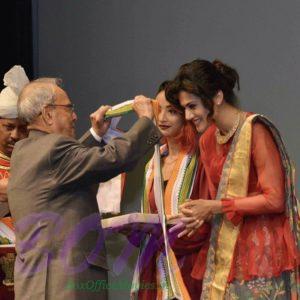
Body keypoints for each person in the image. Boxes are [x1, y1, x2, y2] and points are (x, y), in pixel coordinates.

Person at [7, 79, 162, 300]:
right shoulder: (53, 150)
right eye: (69, 108)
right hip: (64, 286)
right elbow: (113, 158)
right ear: (48, 114)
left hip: (38, 284)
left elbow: (71, 168)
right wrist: (146, 120)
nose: (74, 116)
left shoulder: (24, 152)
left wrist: (96, 135)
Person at [166, 59, 300, 299]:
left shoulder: (255, 130)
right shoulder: (208, 140)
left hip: (262, 256)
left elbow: (275, 199)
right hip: (227, 256)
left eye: (192, 106)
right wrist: (194, 215)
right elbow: (212, 202)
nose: (187, 115)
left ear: (217, 97)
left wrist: (216, 206)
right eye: (185, 108)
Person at [130, 81, 210, 300]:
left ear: (186, 115)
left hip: (190, 270)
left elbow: (210, 223)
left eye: (172, 111)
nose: (162, 118)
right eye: (158, 110)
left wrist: (168, 234)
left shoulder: (201, 160)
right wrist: (134, 229)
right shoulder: (153, 163)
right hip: (153, 274)